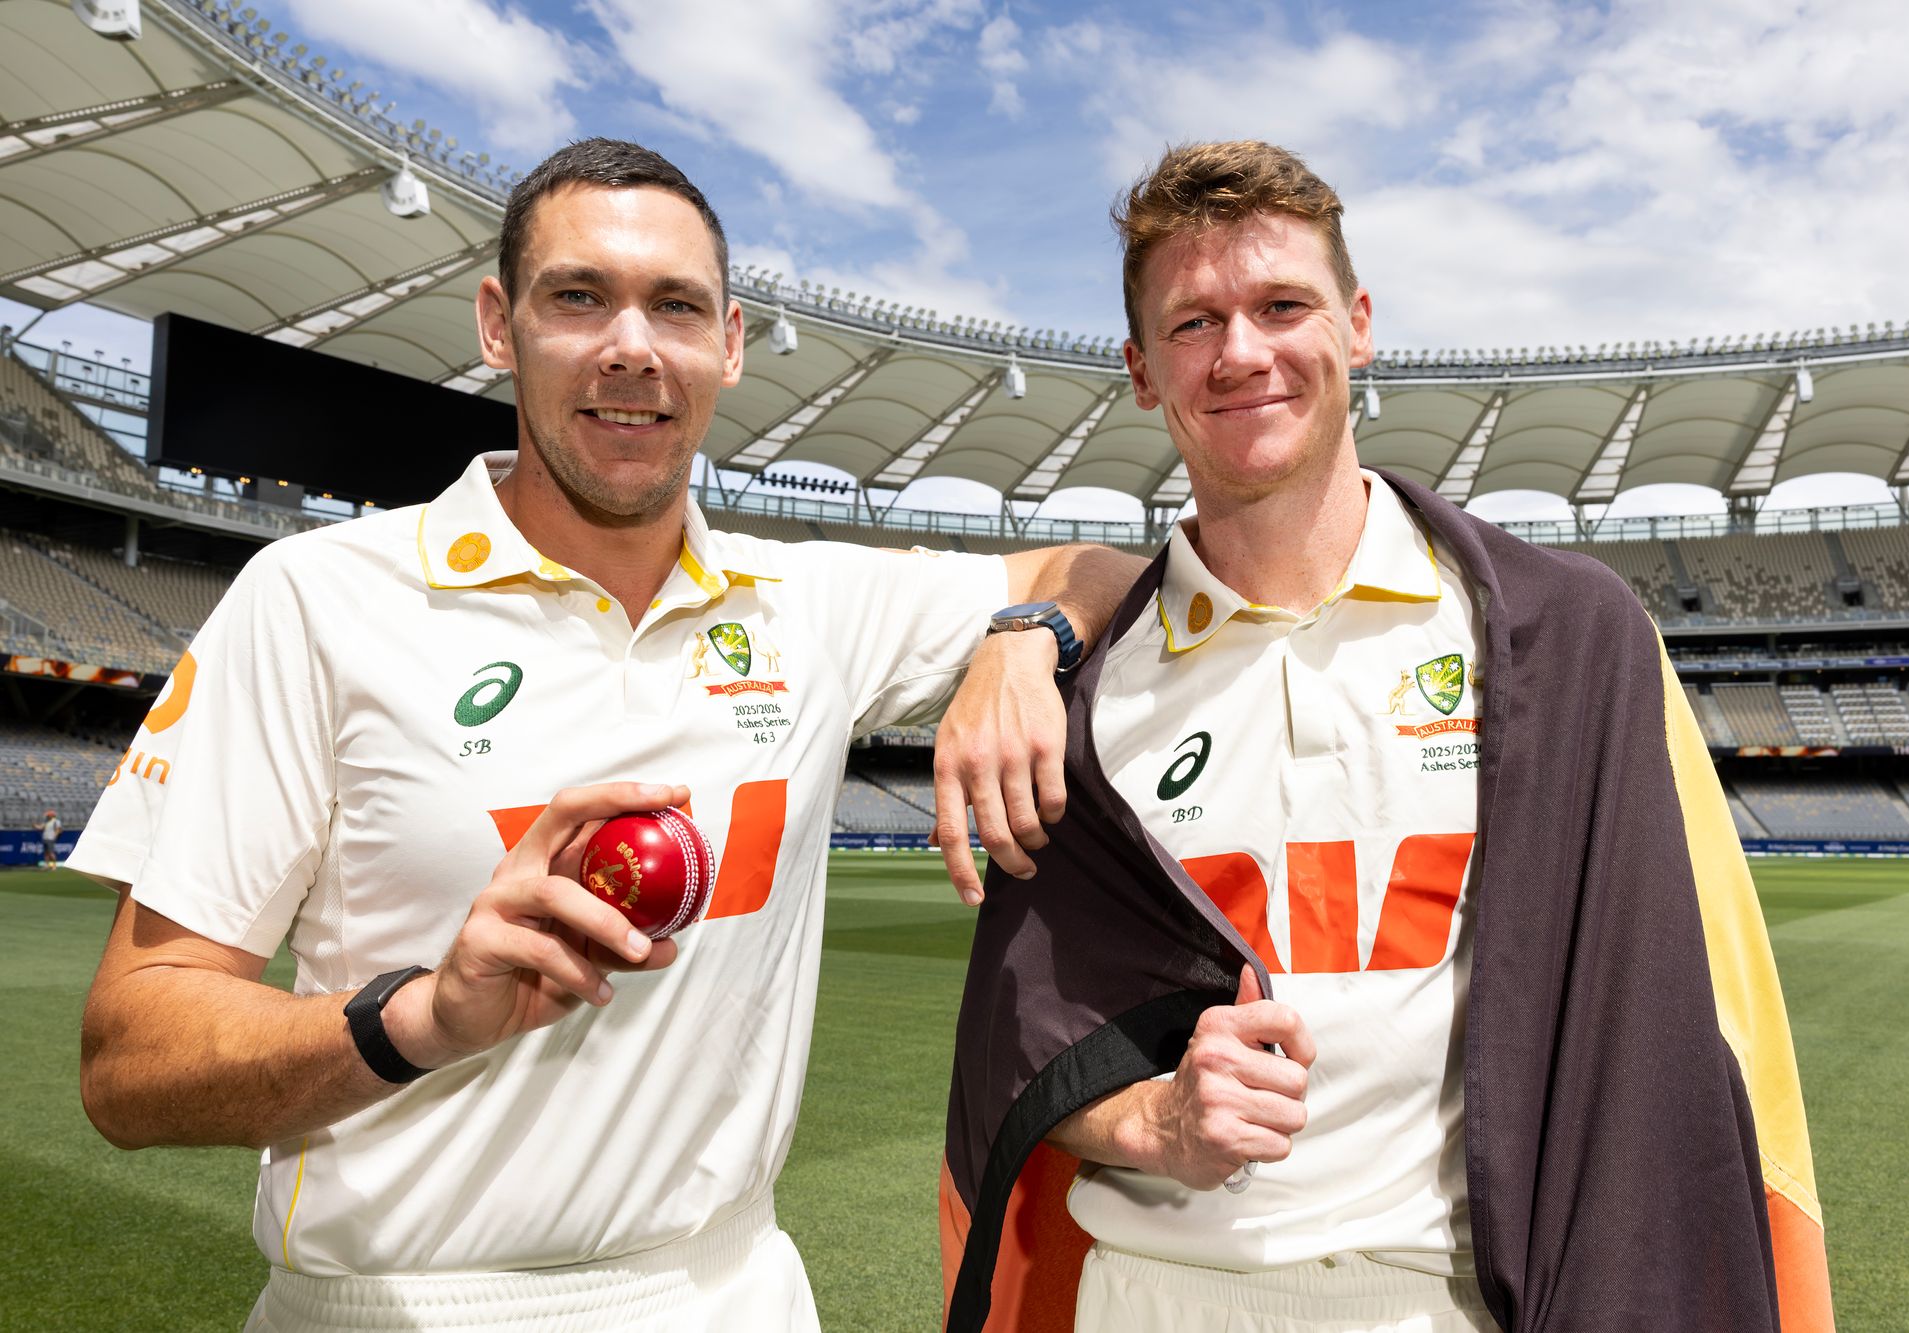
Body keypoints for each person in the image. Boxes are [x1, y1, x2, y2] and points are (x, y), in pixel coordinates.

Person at [70, 138, 1135, 1333]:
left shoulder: (814, 603)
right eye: (579, 296)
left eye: (674, 305)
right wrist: (418, 1016)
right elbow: (129, 1058)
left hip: (730, 1291)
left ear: (728, 345)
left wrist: (1022, 635)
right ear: (497, 324)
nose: (632, 345)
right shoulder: (316, 597)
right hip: (396, 1304)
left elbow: (1102, 566)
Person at [940, 141, 1834, 1333]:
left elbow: (1679, 1027)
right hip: (1150, 1297)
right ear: (1141, 370)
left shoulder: (1566, 642)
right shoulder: (1079, 692)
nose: (1242, 351)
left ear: (1357, 324)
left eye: (1280, 305)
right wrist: (1149, 1122)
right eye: (1193, 323)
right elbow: (1022, 1043)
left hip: (1451, 1302)